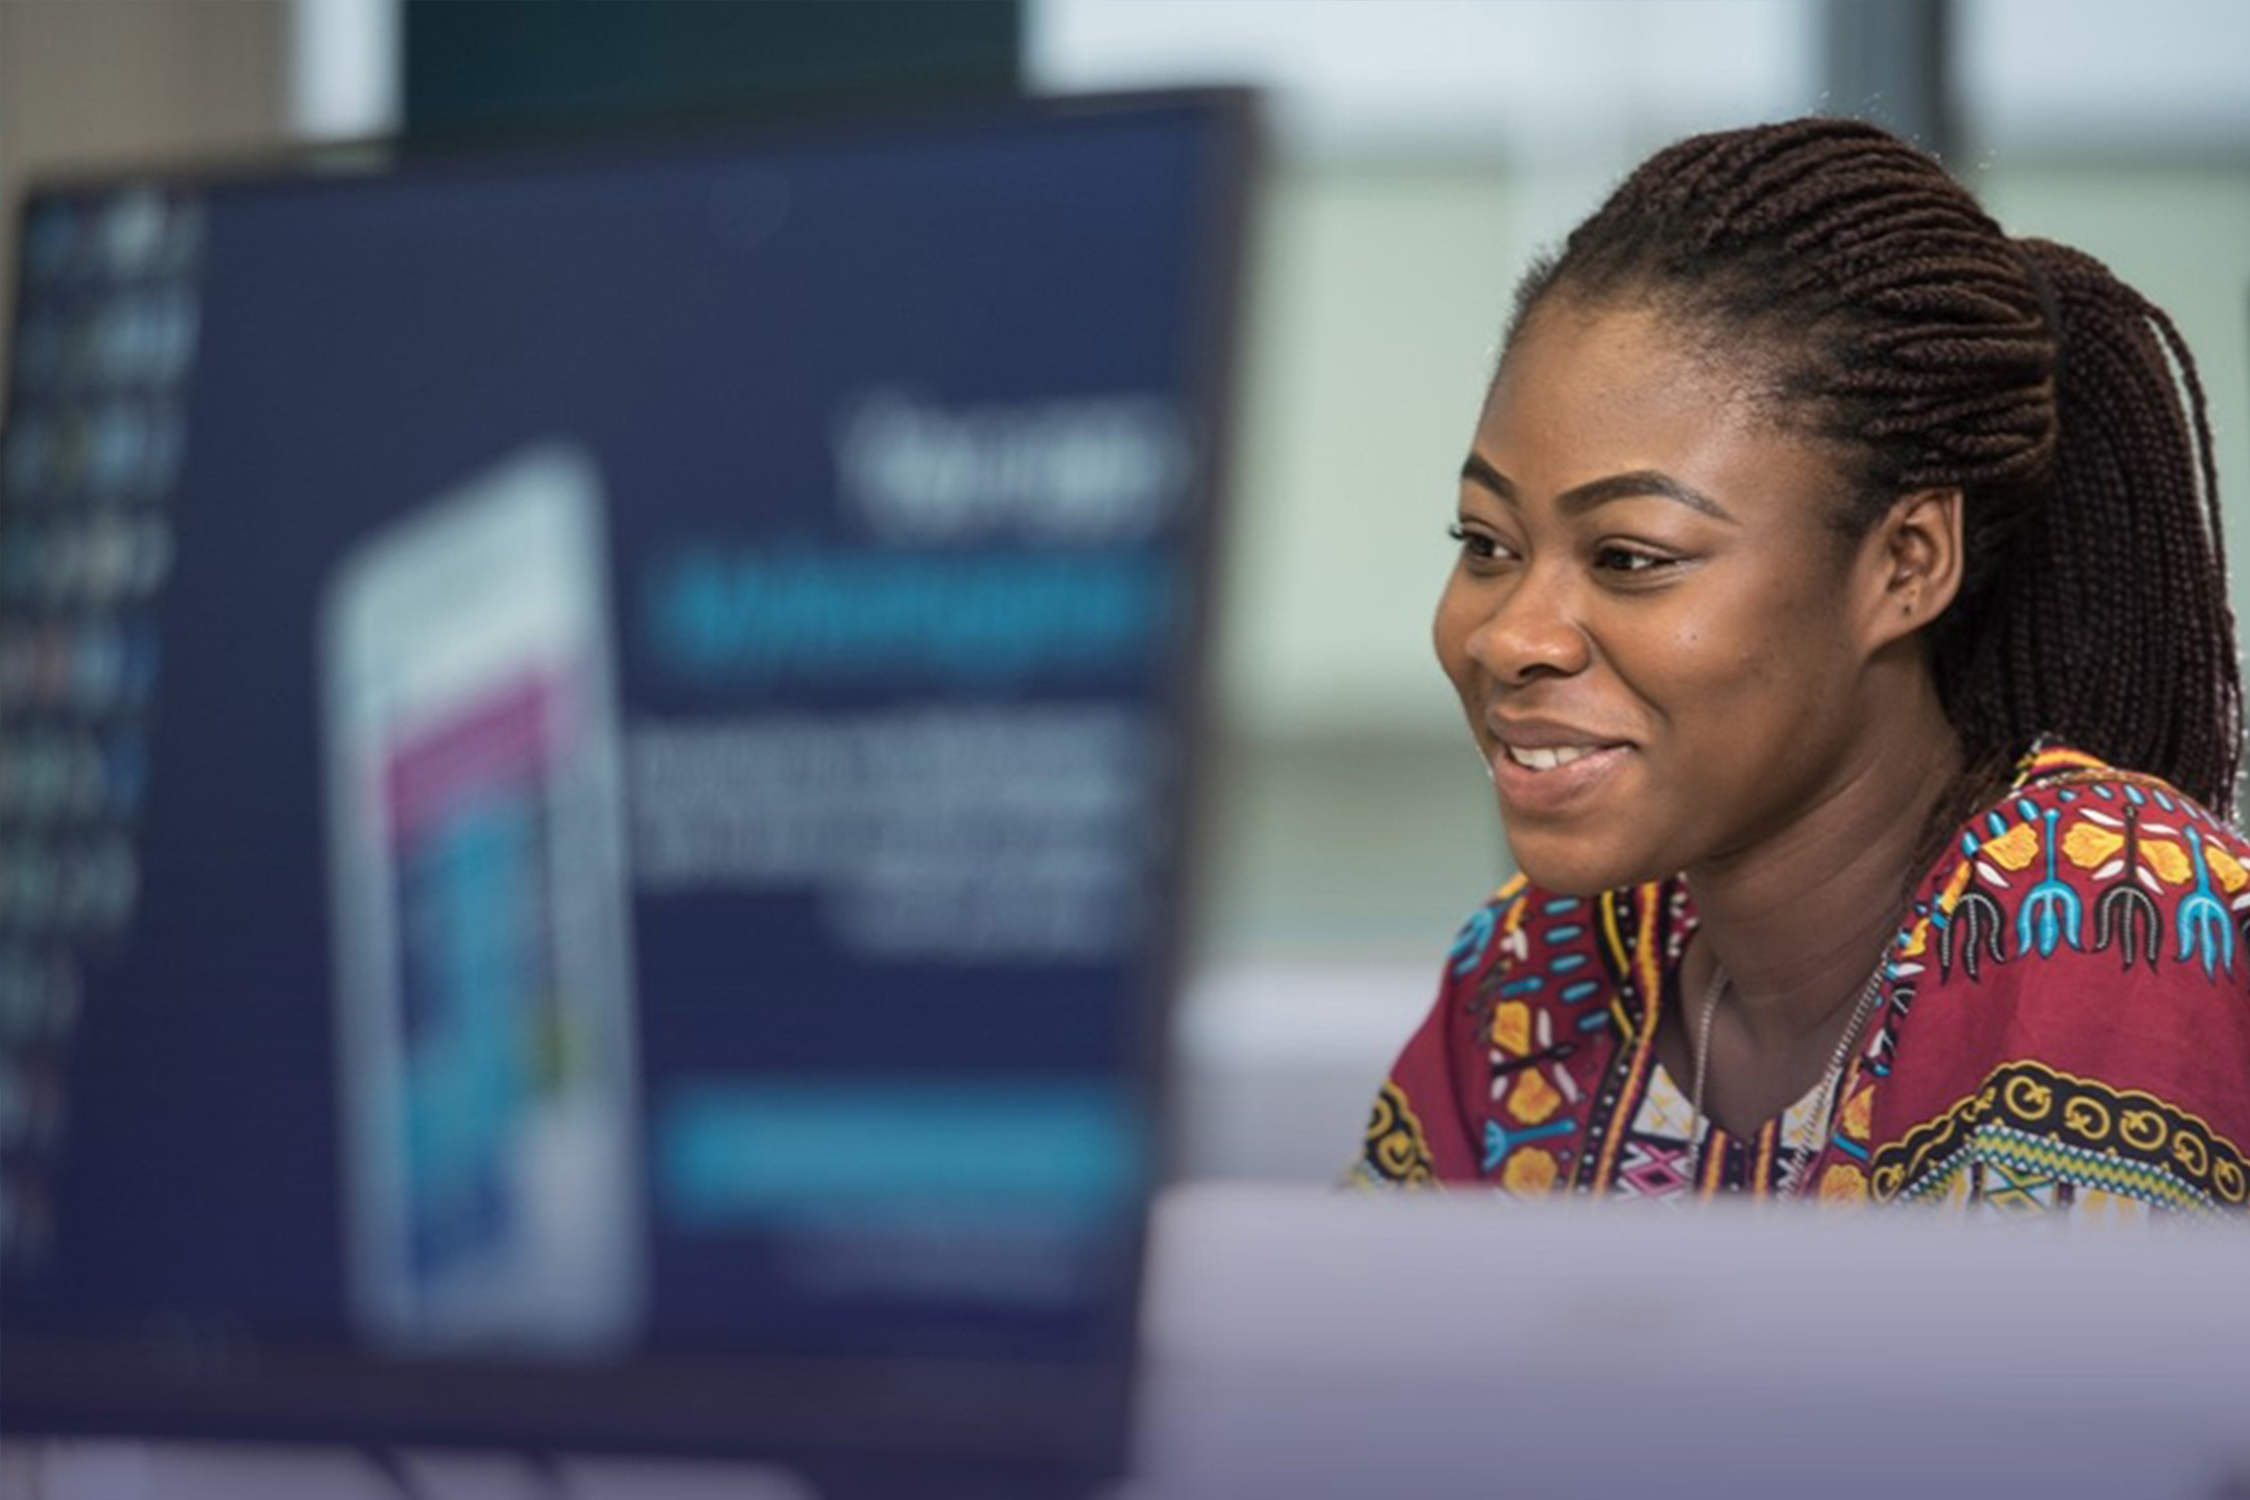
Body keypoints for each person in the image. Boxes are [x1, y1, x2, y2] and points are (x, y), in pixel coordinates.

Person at [1353, 116, 2250, 1216]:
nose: (1510, 636)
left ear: (1906, 564)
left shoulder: (2100, 906)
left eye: (1630, 557)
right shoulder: (1538, 970)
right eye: (1487, 544)